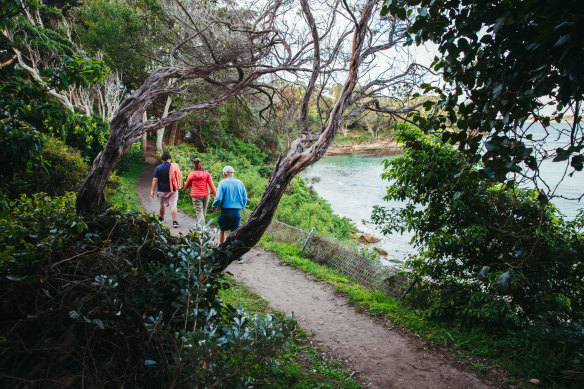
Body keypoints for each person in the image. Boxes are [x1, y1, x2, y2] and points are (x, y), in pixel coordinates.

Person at [212, 165, 247, 252]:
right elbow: (245, 198)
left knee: (222, 231)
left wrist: (214, 206)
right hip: (237, 213)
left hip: (226, 212)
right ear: (233, 174)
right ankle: (237, 255)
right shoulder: (240, 183)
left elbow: (219, 198)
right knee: (235, 234)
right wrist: (241, 206)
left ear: (224, 174)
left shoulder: (222, 183)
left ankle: (221, 250)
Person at [151, 152, 183, 228]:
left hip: (162, 190)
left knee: (163, 205)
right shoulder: (174, 167)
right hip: (173, 189)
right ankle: (175, 222)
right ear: (169, 158)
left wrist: (152, 190)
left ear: (162, 159)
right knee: (173, 205)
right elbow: (178, 176)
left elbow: (155, 180)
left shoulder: (158, 168)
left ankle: (161, 219)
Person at [184, 158, 216, 223]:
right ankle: (202, 228)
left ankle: (202, 230)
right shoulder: (207, 174)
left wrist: (187, 187)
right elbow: (211, 185)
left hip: (196, 196)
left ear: (194, 165)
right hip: (206, 195)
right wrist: (215, 194)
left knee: (199, 213)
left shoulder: (192, 174)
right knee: (203, 212)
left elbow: (186, 185)